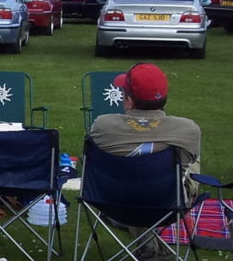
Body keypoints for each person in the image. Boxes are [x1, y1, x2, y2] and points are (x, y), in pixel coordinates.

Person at [86, 63, 202, 201]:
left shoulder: (102, 126)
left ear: (129, 100)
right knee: (191, 158)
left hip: (112, 206)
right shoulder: (188, 129)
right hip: (167, 209)